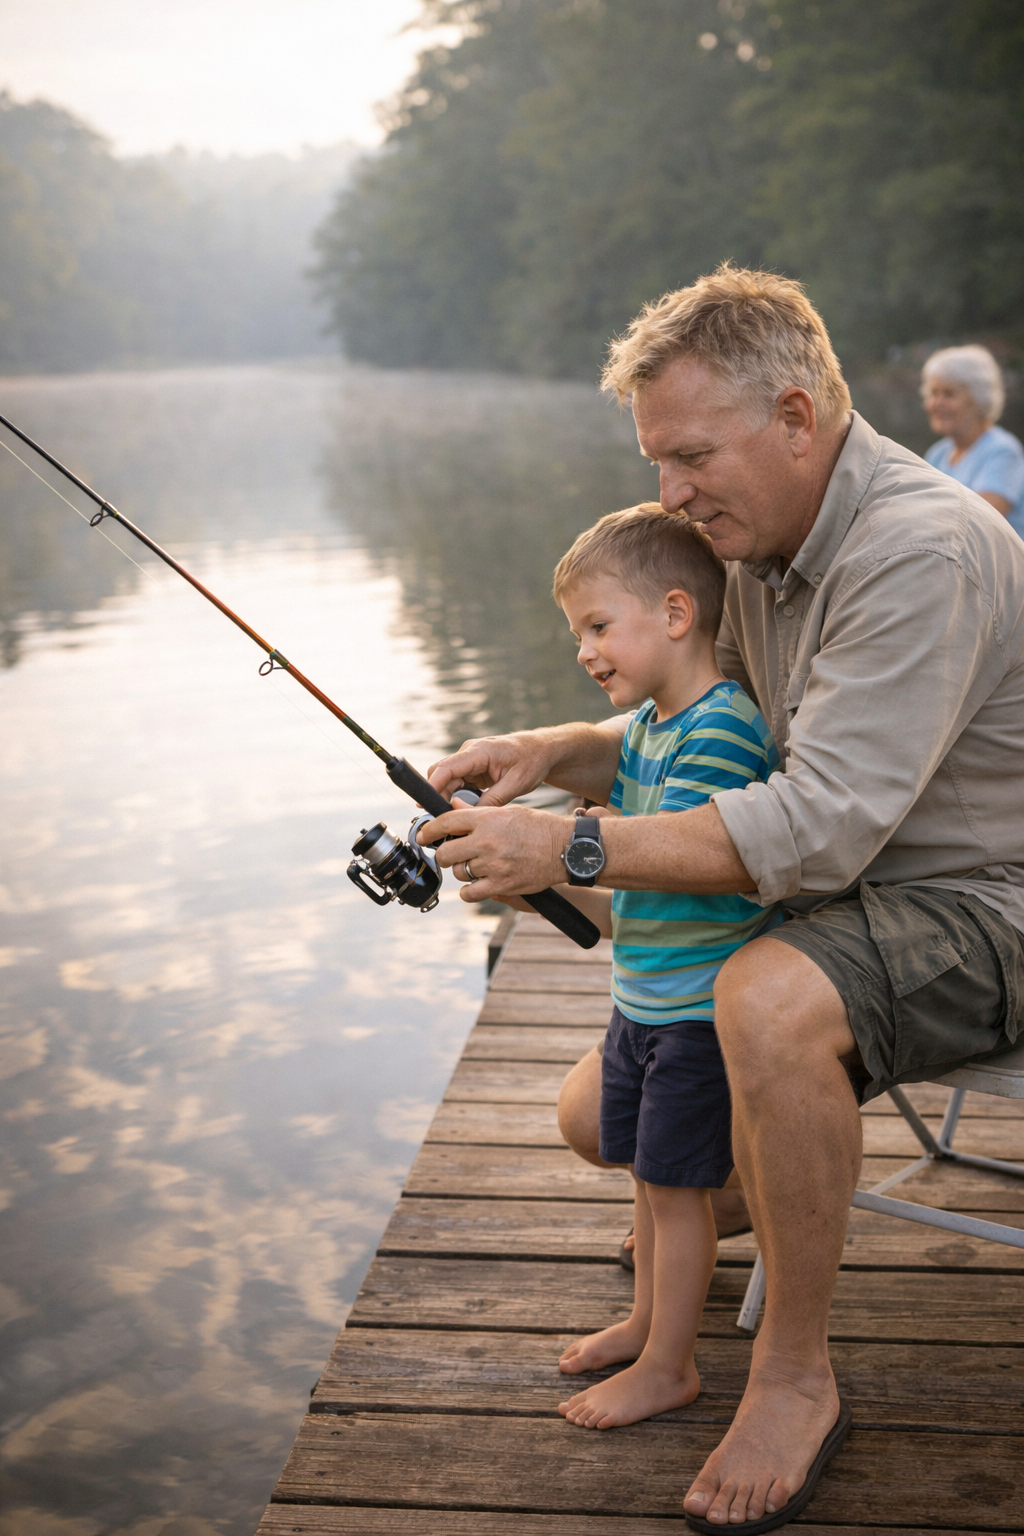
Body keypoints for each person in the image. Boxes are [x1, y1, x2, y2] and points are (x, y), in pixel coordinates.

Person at [418, 265, 1024, 1531]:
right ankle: (761, 1183)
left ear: (796, 418)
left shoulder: (920, 548)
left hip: (985, 900)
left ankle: (793, 1378)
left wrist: (569, 847)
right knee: (601, 1119)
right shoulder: (760, 549)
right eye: (655, 462)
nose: (669, 495)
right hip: (858, 894)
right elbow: (694, 715)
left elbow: (809, 828)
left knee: (762, 997)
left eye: (690, 454)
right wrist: (548, 752)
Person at [525, 504, 780, 1431]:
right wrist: (536, 883)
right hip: (641, 1004)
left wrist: (554, 845)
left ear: (676, 614)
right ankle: (645, 1322)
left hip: (697, 1020)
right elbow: (636, 891)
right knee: (647, 1178)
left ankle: (672, 1366)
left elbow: (675, 856)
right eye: (577, 634)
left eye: (599, 626)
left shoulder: (720, 731)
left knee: (677, 1198)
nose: (585, 651)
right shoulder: (645, 729)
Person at [922, 344, 1024, 539]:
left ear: (979, 400)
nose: (937, 403)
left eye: (949, 394)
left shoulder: (1003, 451)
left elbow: (980, 522)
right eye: (933, 393)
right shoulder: (938, 454)